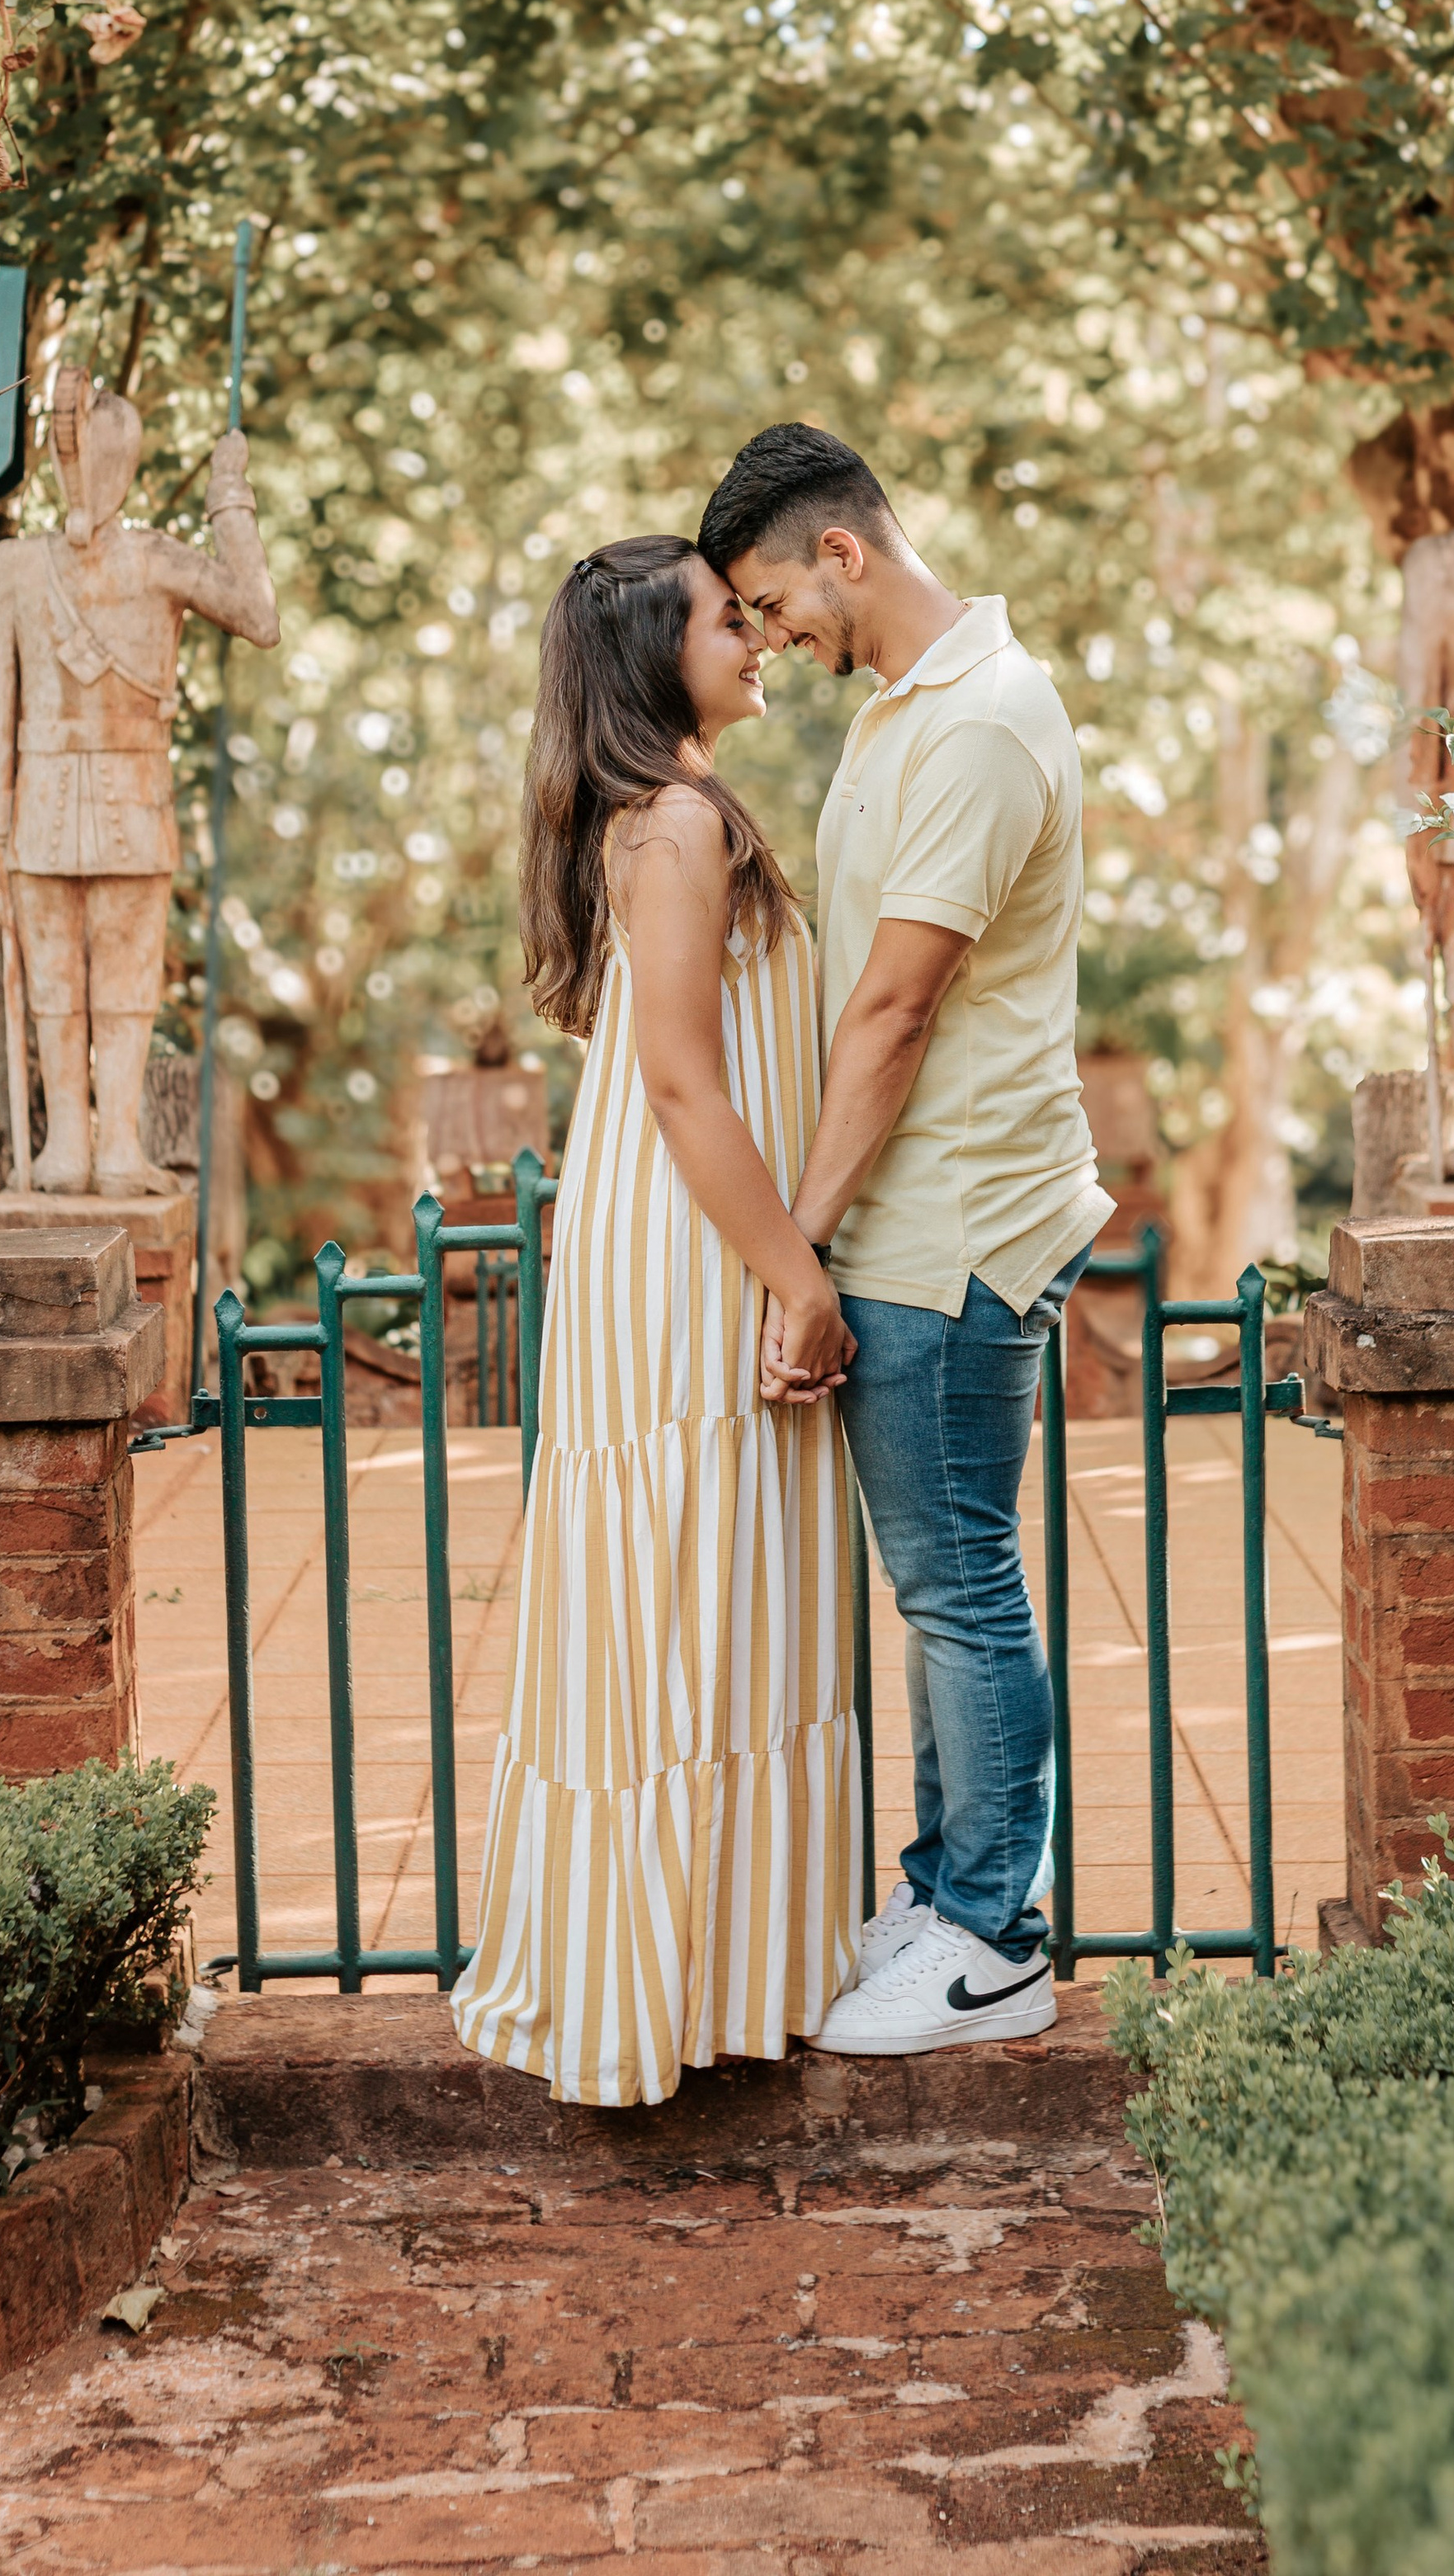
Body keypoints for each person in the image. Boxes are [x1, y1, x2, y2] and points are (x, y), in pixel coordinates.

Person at [698, 427, 1111, 2055]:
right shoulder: (906, 712)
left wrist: (793, 1248)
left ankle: (993, 1940)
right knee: (939, 1581)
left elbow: (892, 1006)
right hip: (908, 1212)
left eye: (767, 596)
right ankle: (944, 1889)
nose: (765, 634)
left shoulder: (987, 725)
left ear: (841, 555)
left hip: (950, 1224)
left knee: (957, 1589)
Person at [452, 535, 861, 2105]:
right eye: (718, 615)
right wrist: (798, 1279)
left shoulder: (667, 814)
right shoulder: (679, 823)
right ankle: (670, 1988)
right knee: (695, 1588)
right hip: (696, 1247)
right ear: (652, 657)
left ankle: (696, 1974)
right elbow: (689, 1085)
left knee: (699, 1591)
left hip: (682, 1230)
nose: (753, 633)